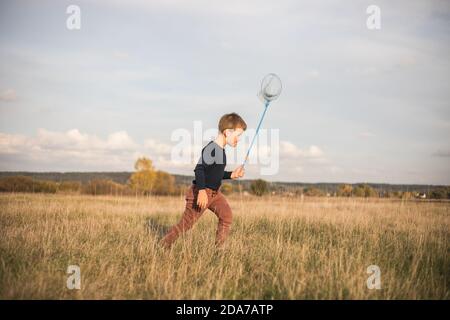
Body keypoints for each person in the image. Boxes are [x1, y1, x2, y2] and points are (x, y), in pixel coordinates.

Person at [161, 113, 247, 248]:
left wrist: (231, 175)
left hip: (215, 194)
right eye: (238, 135)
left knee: (226, 216)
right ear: (227, 132)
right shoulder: (212, 149)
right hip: (201, 192)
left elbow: (215, 174)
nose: (239, 139)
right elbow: (199, 169)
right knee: (186, 224)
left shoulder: (222, 151)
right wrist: (201, 191)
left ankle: (219, 249)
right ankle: (163, 244)